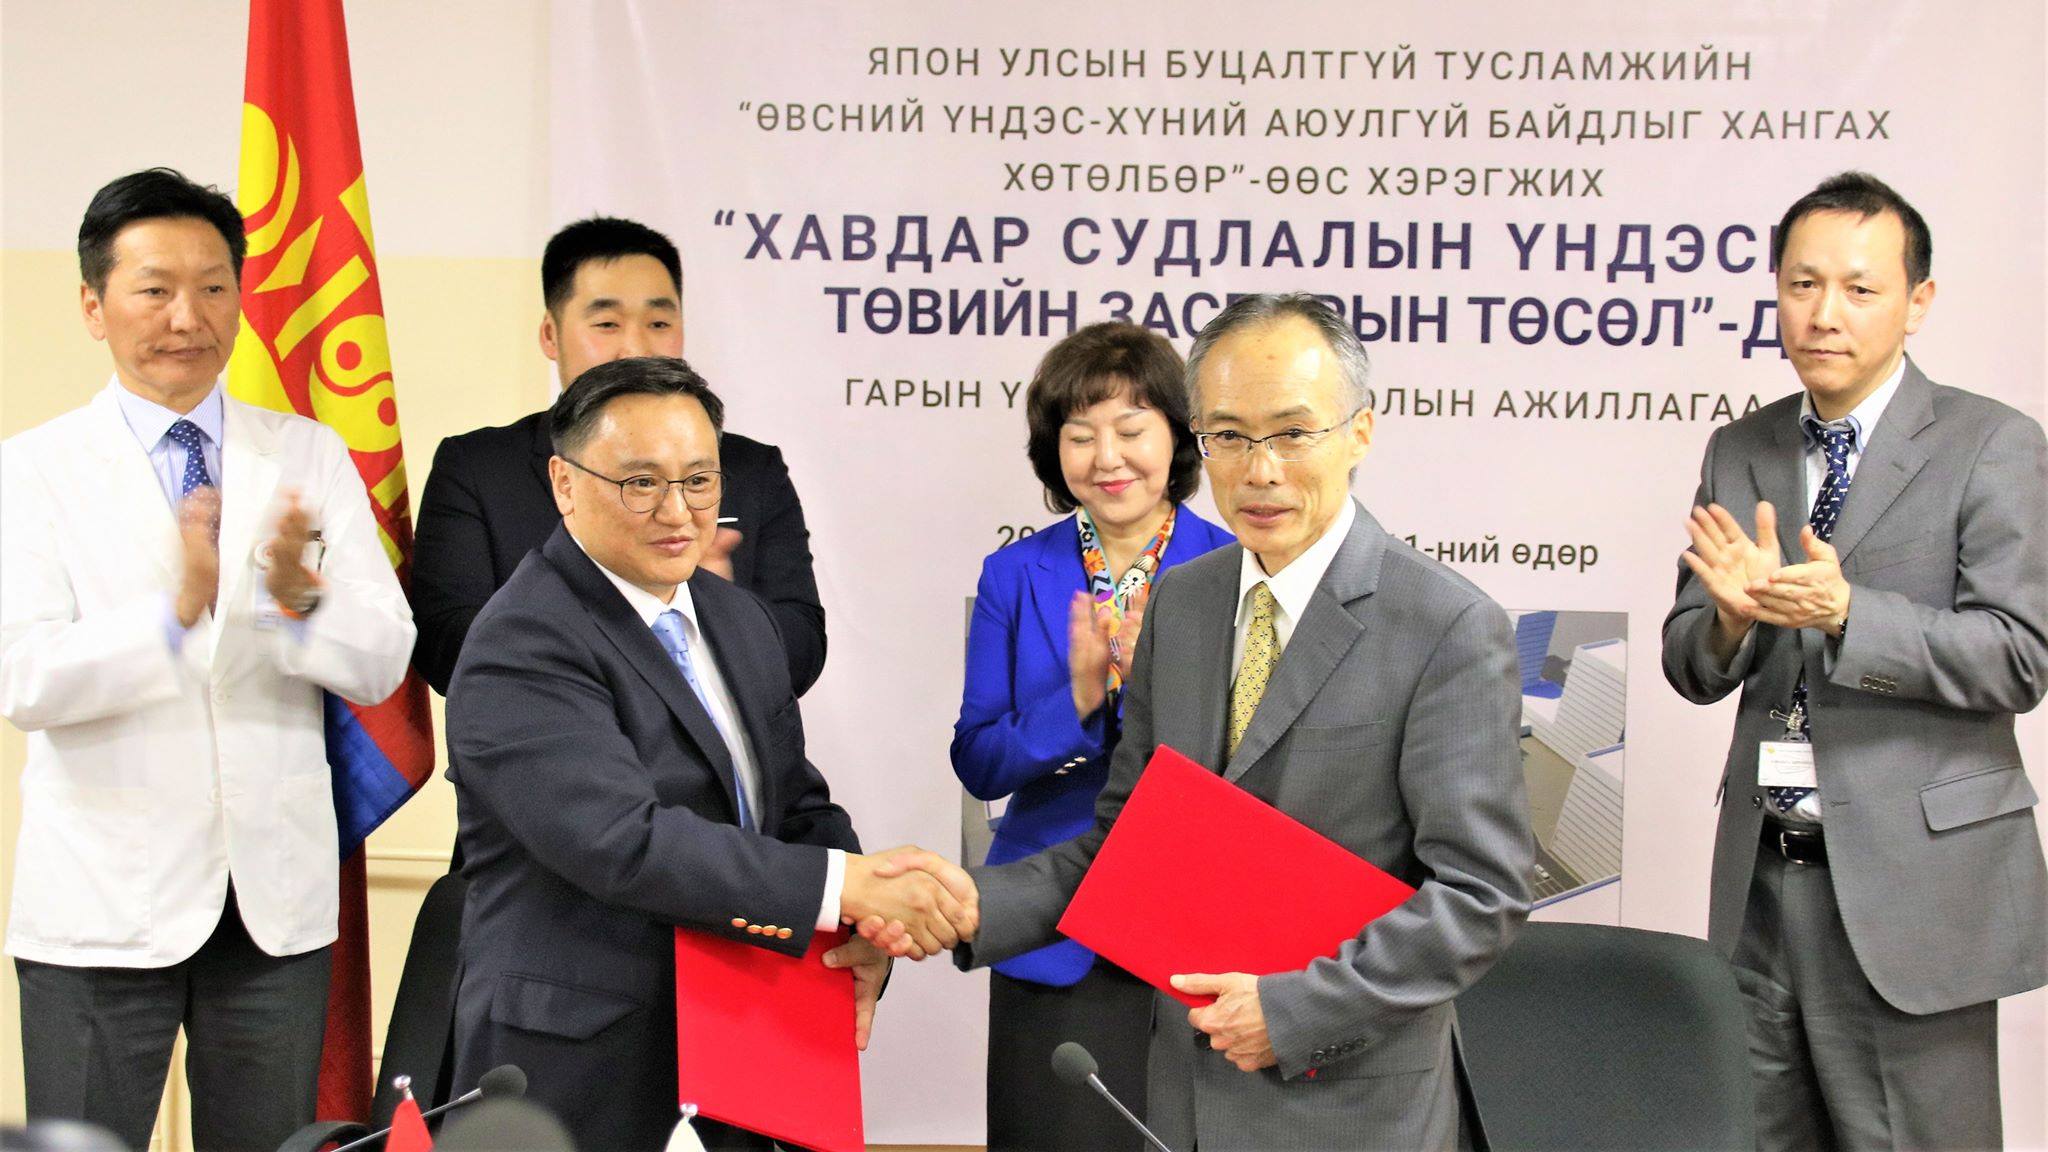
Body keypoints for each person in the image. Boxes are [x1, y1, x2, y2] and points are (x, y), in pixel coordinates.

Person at [877, 294, 1532, 1151]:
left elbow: (1480, 894)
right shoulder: (1183, 604)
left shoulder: (1446, 625)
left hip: (1350, 1106)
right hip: (1182, 1094)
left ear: (1360, 433)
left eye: (1292, 433)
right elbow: (1126, 844)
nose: (1259, 470)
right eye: (1229, 435)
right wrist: (972, 903)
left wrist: (1293, 1010)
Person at [445, 357, 971, 1151]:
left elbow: (792, 800)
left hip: (743, 1035)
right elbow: (623, 842)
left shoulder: (738, 619)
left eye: (699, 481)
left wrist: (858, 925)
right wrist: (844, 888)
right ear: (564, 483)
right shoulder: (521, 639)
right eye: (641, 483)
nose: (677, 511)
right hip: (581, 1068)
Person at [0, 168, 415, 1151]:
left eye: (213, 287)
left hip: (271, 902)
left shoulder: (307, 454)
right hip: (103, 902)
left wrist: (299, 604)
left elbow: (383, 657)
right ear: (94, 306)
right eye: (154, 289)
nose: (186, 317)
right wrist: (172, 615)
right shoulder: (31, 470)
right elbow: (25, 679)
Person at [1663, 171, 2047, 1151]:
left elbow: (2018, 655)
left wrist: (1848, 615)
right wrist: (1728, 622)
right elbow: (1689, 662)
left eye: (1858, 288)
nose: (1822, 314)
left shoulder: (1991, 444)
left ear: (1917, 302)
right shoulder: (1740, 447)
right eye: (1801, 284)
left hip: (1914, 892)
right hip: (1761, 884)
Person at [952, 322, 1234, 1152]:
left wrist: (1157, 685)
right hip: (1056, 922)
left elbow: (1257, 757)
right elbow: (979, 760)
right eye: (1080, 435)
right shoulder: (1015, 574)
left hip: (1199, 924)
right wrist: (1077, 700)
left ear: (1177, 437)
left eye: (1130, 429)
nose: (1107, 458)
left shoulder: (1236, 567)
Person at [411, 216, 826, 697]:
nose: (635, 347)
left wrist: (717, 610)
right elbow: (446, 644)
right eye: (607, 324)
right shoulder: (478, 467)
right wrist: (642, 631)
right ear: (550, 335)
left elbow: (802, 647)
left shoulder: (752, 468)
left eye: (659, 323)